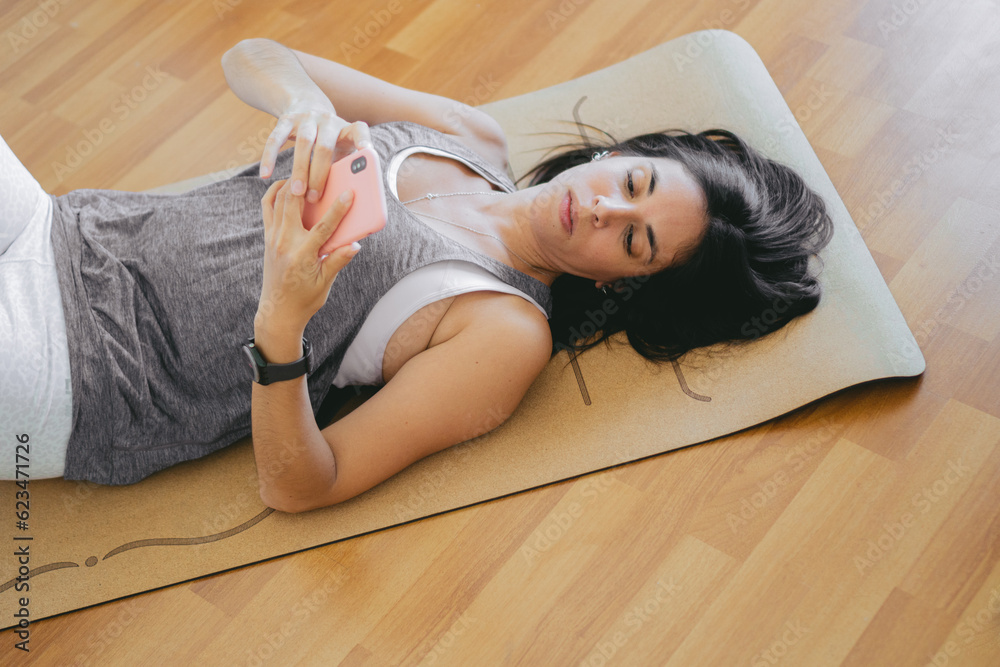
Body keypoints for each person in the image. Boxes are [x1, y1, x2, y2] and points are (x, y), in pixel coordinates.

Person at [0, 38, 832, 512]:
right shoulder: (469, 137)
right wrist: (304, 102)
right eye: (634, 182)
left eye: (635, 241)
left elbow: (304, 484)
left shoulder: (505, 330)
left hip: (81, 376)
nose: (604, 208)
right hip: (59, 226)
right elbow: (250, 55)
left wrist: (282, 325)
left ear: (624, 283)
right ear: (620, 153)